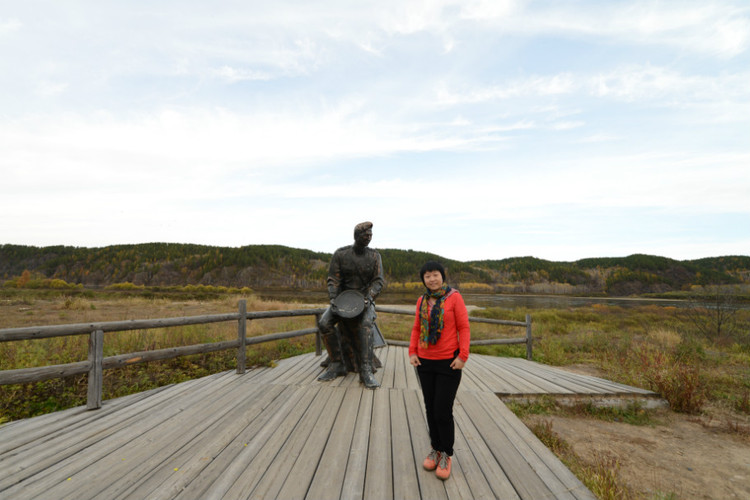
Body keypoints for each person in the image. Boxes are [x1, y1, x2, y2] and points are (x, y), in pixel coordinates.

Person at [409, 261, 470, 480]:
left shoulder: (455, 298)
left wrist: (463, 356)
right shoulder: (421, 301)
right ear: (423, 279)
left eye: (435, 275)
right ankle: (435, 448)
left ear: (442, 276)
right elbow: (417, 327)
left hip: (449, 364)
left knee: (442, 410)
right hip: (424, 363)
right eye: (427, 276)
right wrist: (412, 352)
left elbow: (464, 327)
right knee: (430, 408)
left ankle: (446, 453)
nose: (432, 279)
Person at [317, 221, 385, 389]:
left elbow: (378, 281)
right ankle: (337, 363)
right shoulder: (341, 254)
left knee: (366, 324)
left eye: (370, 235)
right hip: (342, 301)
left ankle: (366, 369)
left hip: (364, 300)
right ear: (356, 236)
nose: (368, 238)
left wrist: (369, 298)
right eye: (365, 235)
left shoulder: (375, 256)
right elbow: (333, 279)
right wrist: (333, 298)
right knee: (324, 323)